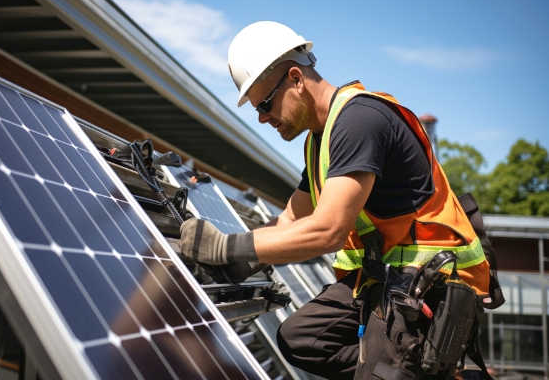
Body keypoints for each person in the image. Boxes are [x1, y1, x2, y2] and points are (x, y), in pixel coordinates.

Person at [179, 21, 493, 379]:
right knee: (301, 338)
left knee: (382, 373)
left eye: (265, 103)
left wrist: (227, 248)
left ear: (296, 79)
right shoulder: (319, 141)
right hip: (386, 278)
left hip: (430, 285)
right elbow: (290, 222)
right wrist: (238, 263)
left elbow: (328, 230)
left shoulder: (360, 120)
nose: (263, 118)